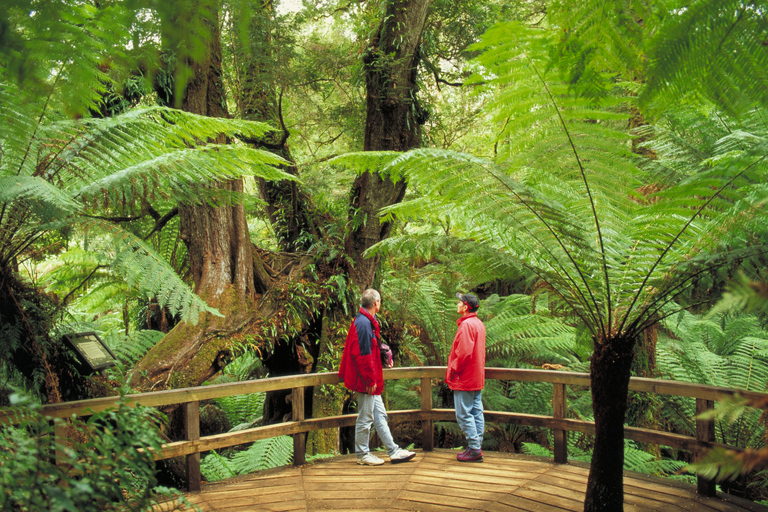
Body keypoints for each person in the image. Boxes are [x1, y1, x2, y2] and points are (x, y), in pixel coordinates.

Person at [338, 288, 416, 466]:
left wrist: (384, 354)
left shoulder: (366, 322)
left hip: (369, 379)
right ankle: (362, 454)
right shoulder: (363, 324)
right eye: (380, 301)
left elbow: (372, 348)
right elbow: (362, 355)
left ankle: (393, 451)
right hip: (366, 380)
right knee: (365, 417)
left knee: (380, 415)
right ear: (376, 303)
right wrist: (369, 380)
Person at [446, 292, 486, 462]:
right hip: (476, 376)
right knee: (476, 411)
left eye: (459, 302)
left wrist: (453, 370)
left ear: (465, 307)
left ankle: (474, 448)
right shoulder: (478, 323)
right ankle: (476, 445)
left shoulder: (466, 326)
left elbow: (463, 354)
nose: (457, 304)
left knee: (463, 413)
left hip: (465, 377)